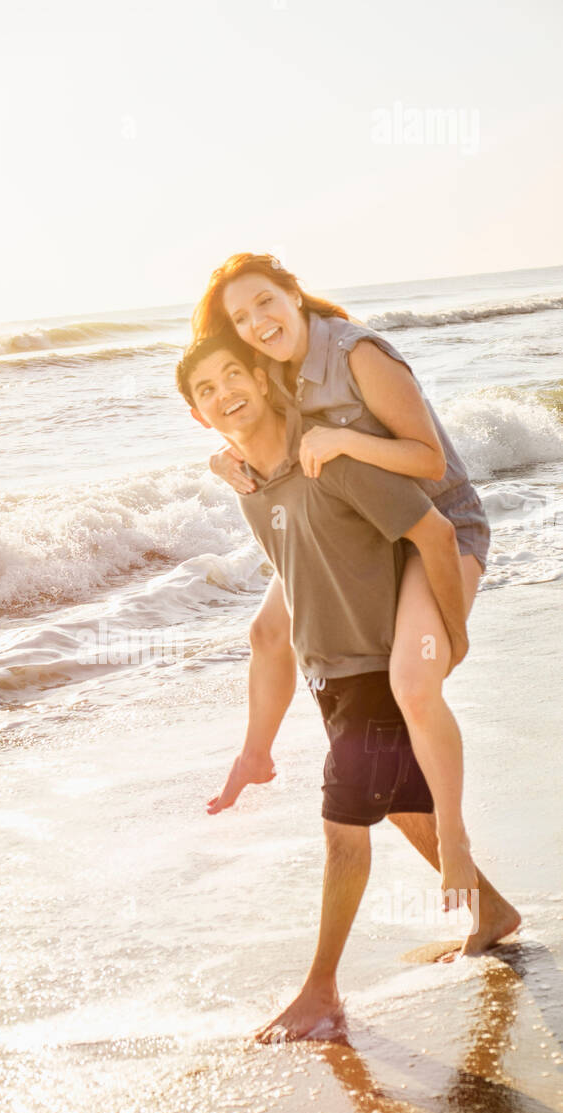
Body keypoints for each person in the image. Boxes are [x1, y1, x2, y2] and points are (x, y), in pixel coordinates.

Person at [175, 334, 519, 1041]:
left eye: (232, 375)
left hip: (375, 661)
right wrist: (254, 750)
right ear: (196, 415)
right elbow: (280, 615)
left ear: (266, 381)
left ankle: (322, 989)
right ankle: (491, 911)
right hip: (328, 667)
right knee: (391, 802)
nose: (222, 394)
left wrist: (448, 638)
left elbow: (433, 530)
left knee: (343, 832)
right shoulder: (251, 485)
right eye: (204, 390)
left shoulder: (330, 460)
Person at [193, 253, 490, 911]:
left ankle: (457, 839)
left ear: (293, 295)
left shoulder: (358, 354)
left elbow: (429, 459)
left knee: (412, 684)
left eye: (265, 302)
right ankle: (256, 757)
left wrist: (343, 440)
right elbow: (245, 417)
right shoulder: (274, 368)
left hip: (439, 523)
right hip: (361, 526)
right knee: (267, 629)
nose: (257, 322)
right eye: (241, 318)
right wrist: (223, 456)